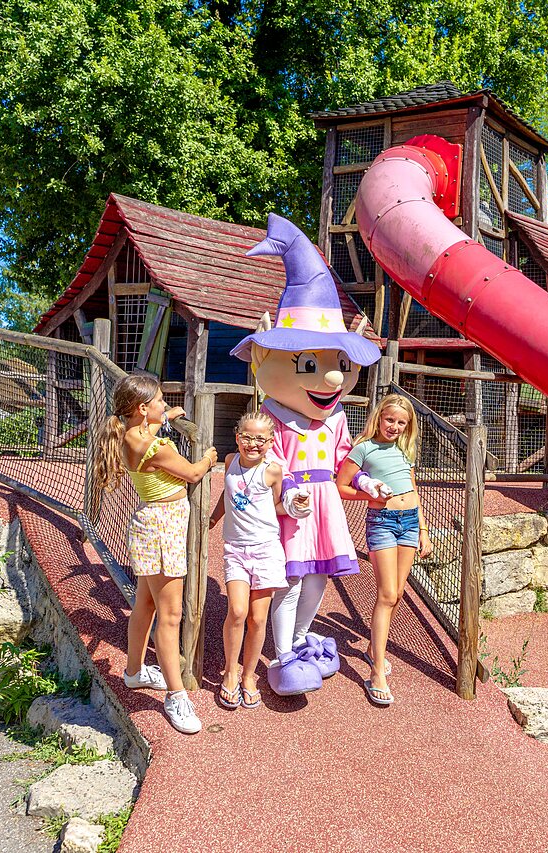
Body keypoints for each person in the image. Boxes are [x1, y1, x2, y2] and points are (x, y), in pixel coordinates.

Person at [229, 213, 381, 698]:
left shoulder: (336, 419)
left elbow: (344, 463)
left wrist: (364, 483)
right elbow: (269, 462)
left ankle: (297, 639)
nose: (333, 379)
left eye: (339, 364)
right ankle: (281, 653)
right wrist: (288, 492)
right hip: (292, 506)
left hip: (327, 507)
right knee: (289, 582)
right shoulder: (271, 416)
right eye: (313, 364)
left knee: (319, 577)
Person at [92, 374, 217, 734]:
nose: (166, 405)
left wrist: (166, 415)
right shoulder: (155, 447)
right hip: (163, 529)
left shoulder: (132, 432)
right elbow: (193, 473)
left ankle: (133, 672)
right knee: (171, 614)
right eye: (160, 401)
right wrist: (208, 456)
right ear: (142, 408)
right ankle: (176, 696)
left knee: (145, 605)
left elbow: (153, 424)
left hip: (154, 524)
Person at [336, 394, 433, 706]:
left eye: (401, 423)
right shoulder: (364, 448)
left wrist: (424, 530)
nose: (394, 426)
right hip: (382, 522)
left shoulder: (406, 450)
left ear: (408, 427)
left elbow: (413, 489)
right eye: (390, 420)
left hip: (408, 521)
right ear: (379, 417)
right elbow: (341, 486)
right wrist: (370, 499)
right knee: (387, 594)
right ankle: (377, 671)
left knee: (398, 593)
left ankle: (371, 649)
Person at [208, 411, 295, 710]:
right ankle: (230, 672)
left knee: (258, 619)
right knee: (236, 610)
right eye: (247, 436)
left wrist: (301, 504)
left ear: (270, 442)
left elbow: (275, 505)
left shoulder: (273, 471)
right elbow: (226, 495)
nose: (253, 443)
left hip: (266, 550)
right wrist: (213, 519)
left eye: (260, 438)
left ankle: (248, 675)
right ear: (237, 437)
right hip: (235, 548)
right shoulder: (231, 461)